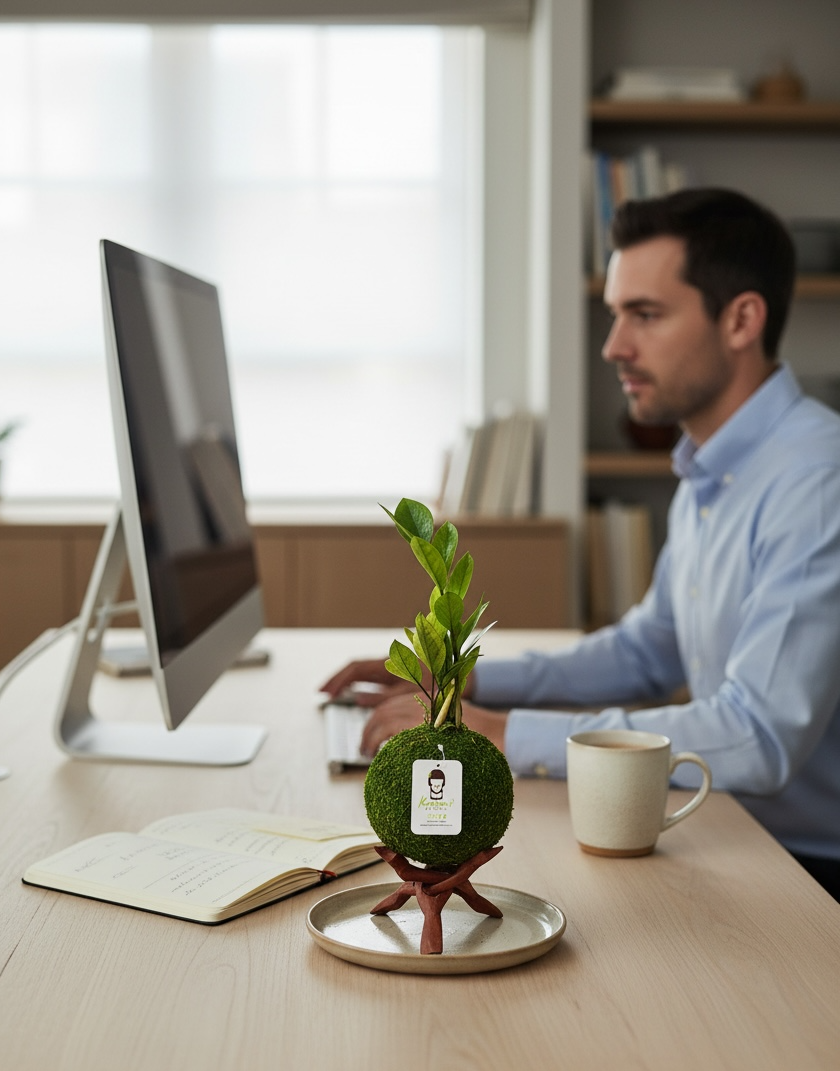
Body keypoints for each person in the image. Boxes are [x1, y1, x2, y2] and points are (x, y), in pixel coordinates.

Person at [321, 187, 840, 902]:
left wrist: (505, 734)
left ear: (742, 320)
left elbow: (758, 734)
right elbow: (646, 651)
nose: (613, 346)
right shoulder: (711, 468)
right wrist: (464, 682)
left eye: (645, 315)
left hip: (807, 869)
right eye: (616, 313)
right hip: (734, 834)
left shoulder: (816, 481)